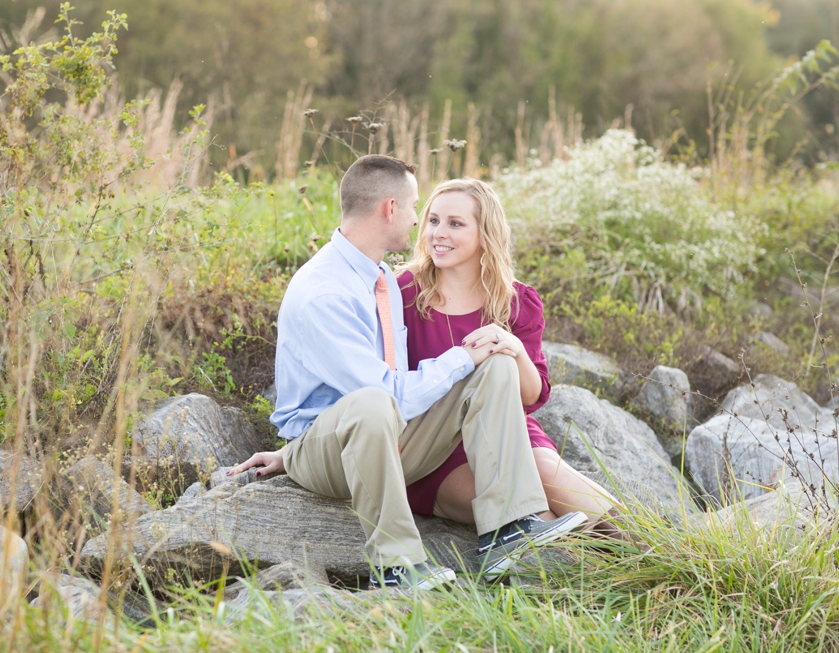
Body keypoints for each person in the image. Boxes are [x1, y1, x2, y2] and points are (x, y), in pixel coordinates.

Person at [229, 155, 587, 591]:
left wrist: (493, 351)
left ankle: (506, 530)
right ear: (390, 210)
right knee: (376, 400)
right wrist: (293, 454)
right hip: (334, 449)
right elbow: (381, 394)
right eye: (419, 209)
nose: (422, 223)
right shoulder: (324, 292)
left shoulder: (378, 276)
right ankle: (396, 566)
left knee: (494, 364)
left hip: (392, 436)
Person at [397, 178, 622, 537]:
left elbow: (531, 397)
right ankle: (594, 575)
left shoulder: (515, 300)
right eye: (433, 220)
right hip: (437, 447)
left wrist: (513, 347)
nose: (438, 233)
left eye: (455, 223)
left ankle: (659, 555)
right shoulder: (403, 292)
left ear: (485, 233)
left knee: (550, 478)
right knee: (537, 518)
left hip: (508, 431)